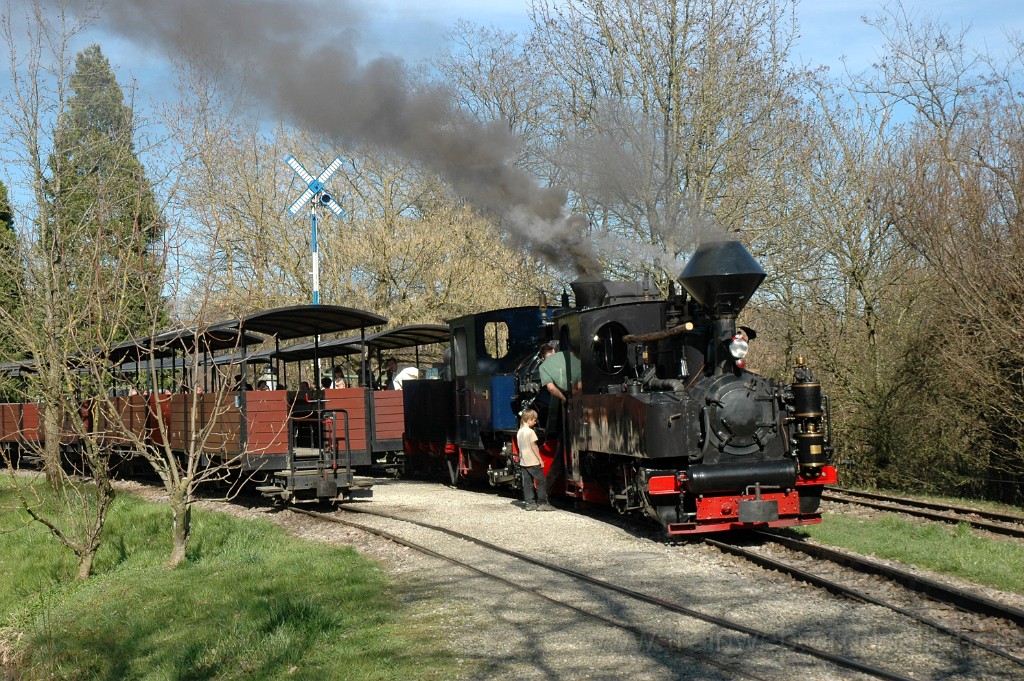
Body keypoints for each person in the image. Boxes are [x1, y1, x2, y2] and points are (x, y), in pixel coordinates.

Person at [538, 344, 581, 440]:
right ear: (553, 350)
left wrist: (563, 398)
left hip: (570, 395)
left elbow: (551, 388)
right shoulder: (566, 354)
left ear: (543, 356)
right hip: (584, 386)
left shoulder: (543, 367)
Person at [516, 408, 554, 511]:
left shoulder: (519, 432)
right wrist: (540, 459)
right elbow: (534, 447)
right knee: (541, 480)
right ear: (529, 420)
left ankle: (530, 503)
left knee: (527, 483)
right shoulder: (530, 432)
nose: (535, 422)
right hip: (532, 461)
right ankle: (542, 503)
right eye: (534, 420)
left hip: (524, 461)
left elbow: (520, 447)